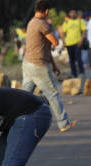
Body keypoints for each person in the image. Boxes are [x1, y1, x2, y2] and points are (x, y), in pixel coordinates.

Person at [22, 0, 76, 132]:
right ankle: (63, 123)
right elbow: (55, 42)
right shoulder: (42, 24)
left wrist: (54, 65)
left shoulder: (30, 23)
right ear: (46, 11)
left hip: (27, 63)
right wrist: (53, 28)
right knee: (52, 94)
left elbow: (44, 46)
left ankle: (14, 122)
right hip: (38, 64)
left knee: (23, 96)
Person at [62, 9, 86, 78]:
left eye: (74, 13)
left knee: (79, 59)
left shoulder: (80, 21)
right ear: (69, 14)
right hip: (69, 43)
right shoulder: (66, 22)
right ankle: (74, 74)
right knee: (71, 60)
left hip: (77, 43)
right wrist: (64, 42)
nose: (72, 14)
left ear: (76, 14)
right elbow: (63, 33)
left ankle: (81, 73)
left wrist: (81, 40)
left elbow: (84, 31)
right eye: (71, 13)